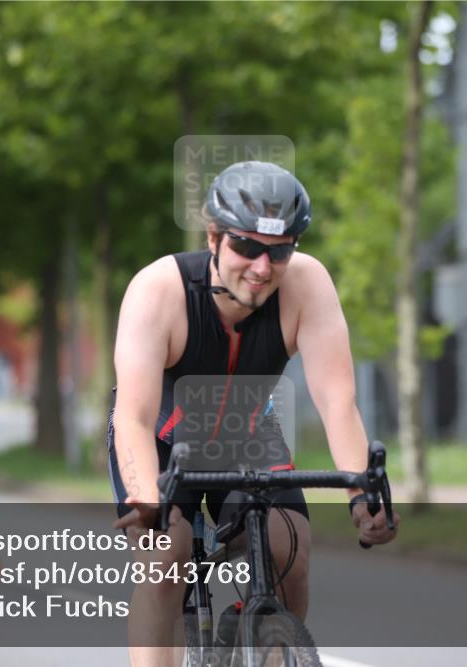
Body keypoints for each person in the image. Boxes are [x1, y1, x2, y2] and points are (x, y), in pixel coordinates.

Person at [108, 161, 400, 666]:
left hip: (245, 432)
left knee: (292, 550)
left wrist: (361, 496)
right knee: (166, 559)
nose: (263, 268)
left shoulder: (307, 285)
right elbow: (132, 417)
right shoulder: (159, 291)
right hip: (159, 438)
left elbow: (336, 401)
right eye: (246, 246)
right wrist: (146, 498)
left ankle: (255, 634)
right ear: (214, 236)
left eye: (280, 250)